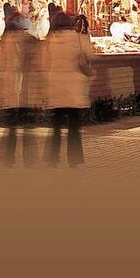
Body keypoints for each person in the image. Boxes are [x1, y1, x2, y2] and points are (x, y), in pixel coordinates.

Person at [44, 12, 94, 167]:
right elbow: (90, 55)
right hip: (74, 88)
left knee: (56, 126)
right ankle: (74, 159)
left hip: (56, 87)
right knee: (74, 126)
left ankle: (53, 158)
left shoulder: (50, 40)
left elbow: (44, 62)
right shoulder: (78, 38)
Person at [0, 9, 37, 166]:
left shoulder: (4, 42)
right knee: (27, 126)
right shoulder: (28, 39)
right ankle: (29, 159)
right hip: (25, 90)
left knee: (11, 127)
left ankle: (7, 158)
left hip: (10, 90)